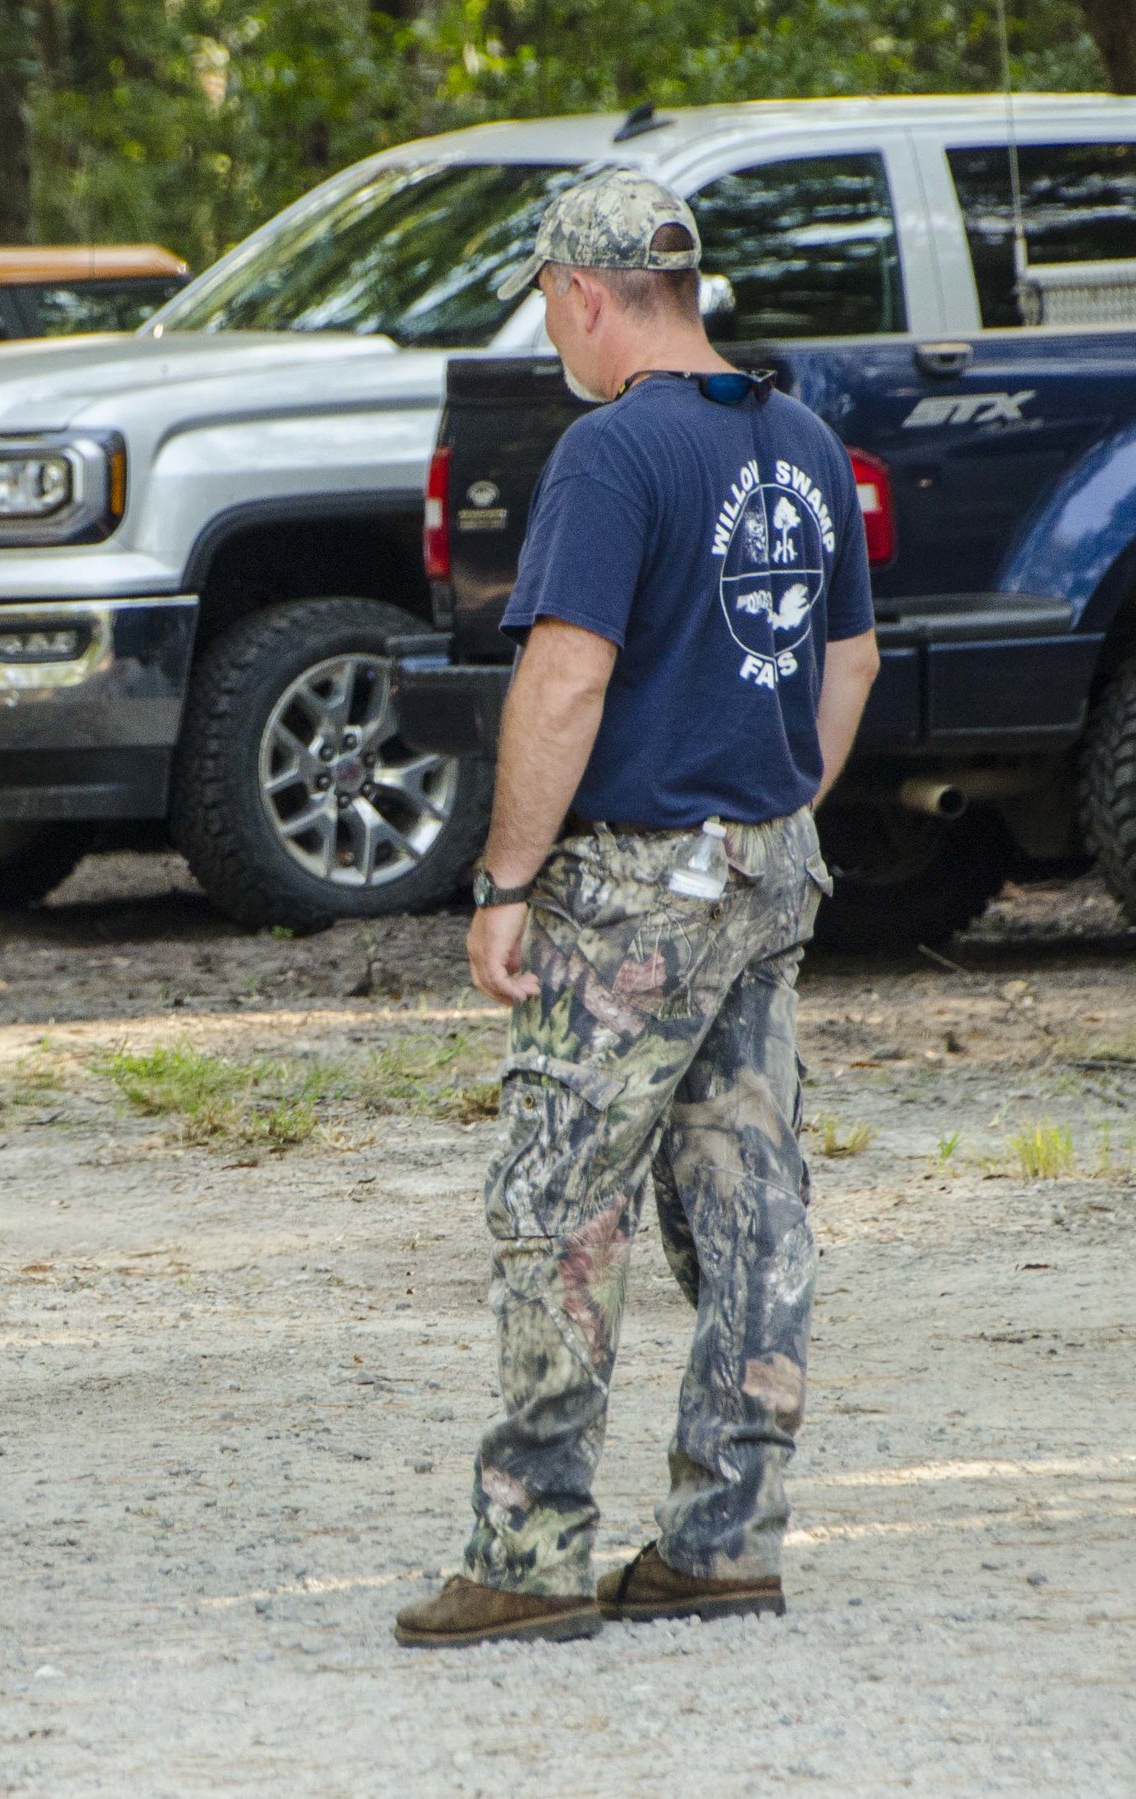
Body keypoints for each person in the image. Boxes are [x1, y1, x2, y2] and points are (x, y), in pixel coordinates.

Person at [391, 171, 882, 1649]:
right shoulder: (798, 439)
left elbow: (564, 678)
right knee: (751, 1204)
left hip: (633, 889)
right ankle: (727, 1535)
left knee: (557, 1204)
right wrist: (777, 800)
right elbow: (848, 663)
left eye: (550, 301)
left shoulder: (611, 454)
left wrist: (506, 880)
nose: (553, 327)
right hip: (767, 867)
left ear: (591, 294)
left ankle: (530, 1549)